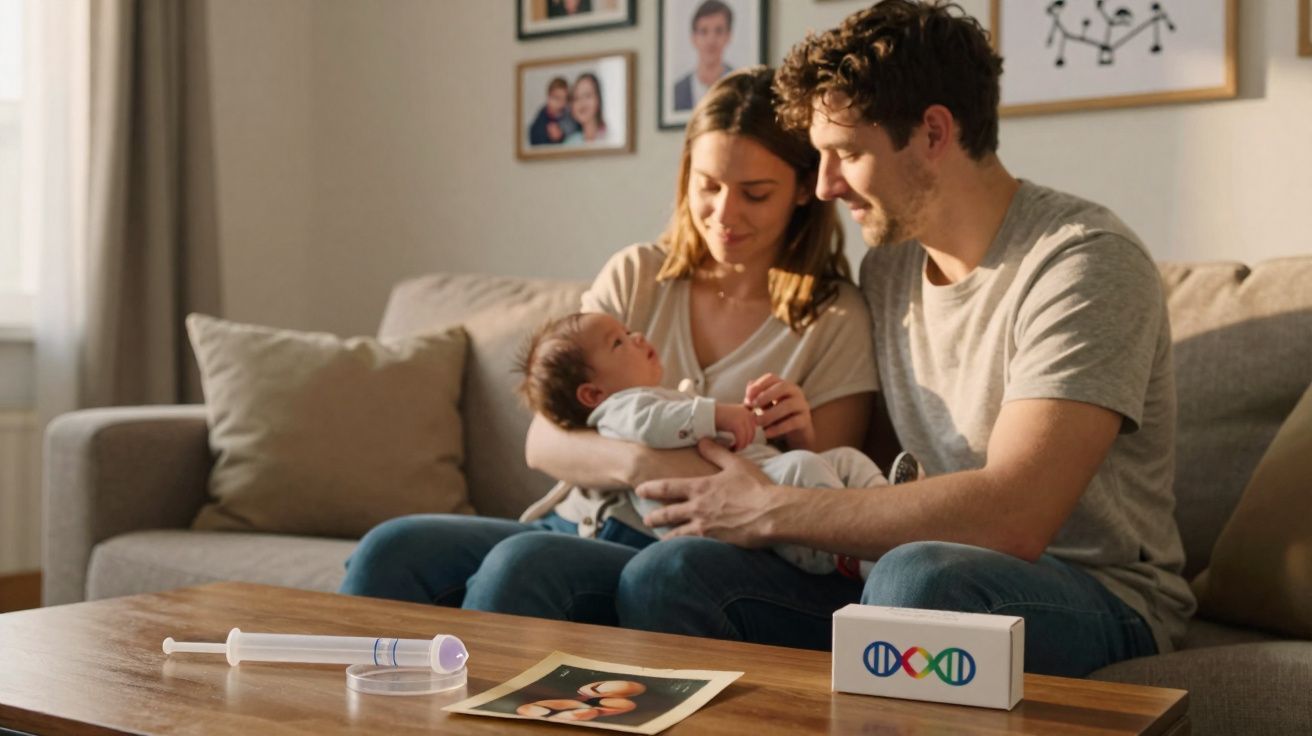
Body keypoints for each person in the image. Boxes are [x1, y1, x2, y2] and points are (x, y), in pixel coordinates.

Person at [621, 0, 1196, 677]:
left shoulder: (1082, 263)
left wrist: (771, 508)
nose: (827, 185)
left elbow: (1015, 516)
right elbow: (885, 478)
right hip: (909, 575)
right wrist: (812, 455)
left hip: (1089, 595)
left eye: (847, 154)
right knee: (672, 573)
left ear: (932, 132)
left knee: (920, 585)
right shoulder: (890, 266)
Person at [339, 67, 879, 625]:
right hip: (575, 520)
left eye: (755, 193)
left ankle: (477, 714)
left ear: (800, 190)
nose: (725, 214)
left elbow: (817, 520)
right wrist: (643, 461)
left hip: (693, 551)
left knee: (523, 565)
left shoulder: (833, 317)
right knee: (392, 549)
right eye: (708, 186)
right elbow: (545, 442)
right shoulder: (639, 274)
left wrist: (799, 439)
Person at [515, 310, 912, 576]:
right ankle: (848, 558)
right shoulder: (620, 410)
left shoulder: (663, 399)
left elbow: (699, 431)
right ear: (591, 395)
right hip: (715, 504)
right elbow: (654, 425)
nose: (636, 337)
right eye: (618, 343)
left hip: (752, 474)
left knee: (842, 458)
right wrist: (717, 414)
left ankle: (888, 510)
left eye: (627, 331)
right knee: (804, 470)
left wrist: (758, 420)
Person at [673, 1, 734, 112]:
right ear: (693, 38)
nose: (711, 40)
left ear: (728, 36)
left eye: (718, 31)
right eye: (704, 31)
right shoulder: (677, 91)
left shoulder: (740, 85)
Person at [528, 76, 577, 146]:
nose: (561, 104)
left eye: (565, 99)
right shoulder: (537, 126)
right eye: (557, 98)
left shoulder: (571, 116)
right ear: (548, 97)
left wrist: (562, 136)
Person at [563, 73, 607, 145]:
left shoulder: (612, 139)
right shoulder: (570, 143)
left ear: (598, 99)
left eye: (587, 95)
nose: (581, 103)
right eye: (576, 98)